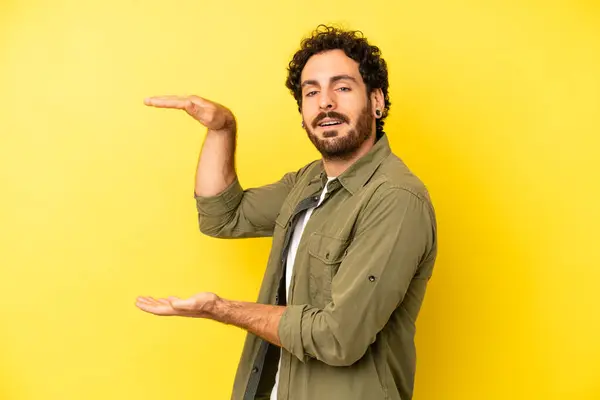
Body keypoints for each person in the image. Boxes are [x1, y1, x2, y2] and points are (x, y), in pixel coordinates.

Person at [135, 24, 438, 400]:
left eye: (342, 88)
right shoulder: (309, 182)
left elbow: (340, 336)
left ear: (377, 101)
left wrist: (222, 309)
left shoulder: (395, 198)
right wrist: (223, 129)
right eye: (312, 92)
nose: (325, 102)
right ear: (301, 111)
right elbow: (222, 217)